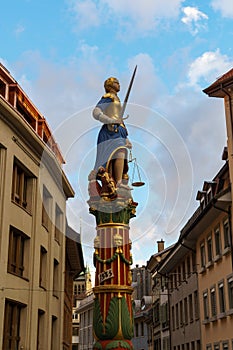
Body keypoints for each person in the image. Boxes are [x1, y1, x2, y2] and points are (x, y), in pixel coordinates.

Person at [93, 77, 132, 188]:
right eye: (116, 82)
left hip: (119, 131)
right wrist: (110, 120)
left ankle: (118, 181)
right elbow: (96, 112)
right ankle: (118, 182)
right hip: (110, 132)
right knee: (120, 151)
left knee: (122, 154)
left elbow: (119, 120)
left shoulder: (116, 99)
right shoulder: (108, 97)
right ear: (109, 85)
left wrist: (126, 138)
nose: (119, 84)